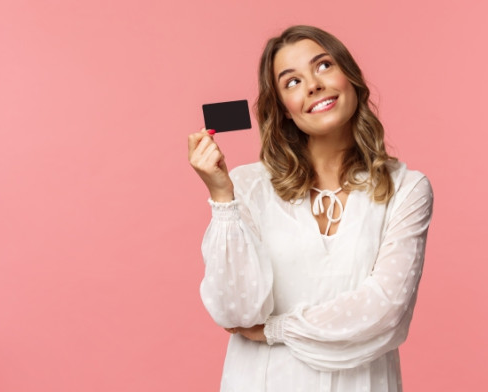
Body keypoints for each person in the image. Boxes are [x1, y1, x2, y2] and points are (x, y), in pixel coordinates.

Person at [186, 25, 434, 391]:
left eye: (323, 66)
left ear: (350, 77)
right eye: (292, 82)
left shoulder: (407, 189)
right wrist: (223, 198)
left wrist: (275, 329)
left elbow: (385, 310)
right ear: (283, 110)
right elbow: (237, 313)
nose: (313, 85)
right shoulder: (249, 186)